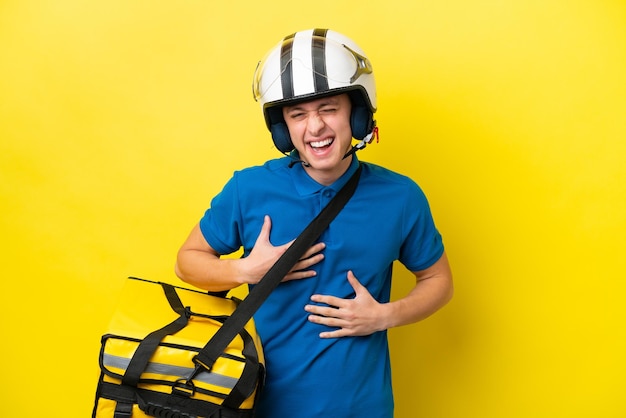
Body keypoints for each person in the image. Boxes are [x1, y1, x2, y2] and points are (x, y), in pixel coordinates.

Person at [175, 28, 453, 418]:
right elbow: (187, 261)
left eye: (328, 109)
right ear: (281, 128)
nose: (315, 127)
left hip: (363, 408)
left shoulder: (401, 197)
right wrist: (244, 269)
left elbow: (439, 281)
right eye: (297, 114)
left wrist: (384, 315)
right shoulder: (248, 189)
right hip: (257, 407)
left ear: (357, 115)